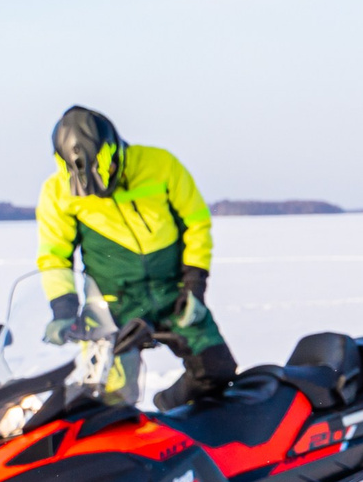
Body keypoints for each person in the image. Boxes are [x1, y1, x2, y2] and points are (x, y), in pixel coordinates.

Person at [35, 107, 234, 409]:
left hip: (174, 296)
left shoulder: (160, 165)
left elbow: (196, 224)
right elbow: (54, 257)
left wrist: (194, 286)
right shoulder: (56, 192)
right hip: (113, 307)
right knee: (109, 400)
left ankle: (173, 415)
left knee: (217, 371)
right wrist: (63, 309)